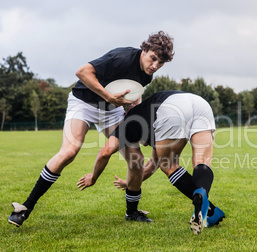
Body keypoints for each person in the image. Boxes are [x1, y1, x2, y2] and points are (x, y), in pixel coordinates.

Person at [8, 31, 175, 227]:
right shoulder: (121, 57)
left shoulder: (148, 75)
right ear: (144, 50)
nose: (155, 66)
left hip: (111, 110)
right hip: (84, 103)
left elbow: (134, 94)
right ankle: (25, 207)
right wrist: (108, 97)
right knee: (69, 152)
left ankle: (132, 212)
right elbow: (82, 72)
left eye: (160, 63)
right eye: (153, 58)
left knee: (136, 158)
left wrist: (133, 110)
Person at [76, 90, 225, 234]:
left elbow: (104, 153)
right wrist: (129, 183)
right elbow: (153, 164)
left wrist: (93, 177)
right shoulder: (150, 116)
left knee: (169, 166)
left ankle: (206, 205)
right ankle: (209, 207)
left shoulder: (129, 121)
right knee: (201, 162)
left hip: (170, 109)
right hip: (199, 103)